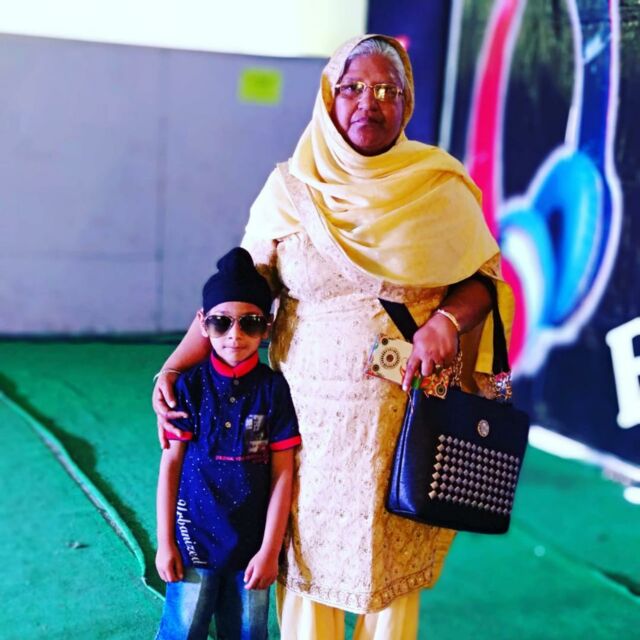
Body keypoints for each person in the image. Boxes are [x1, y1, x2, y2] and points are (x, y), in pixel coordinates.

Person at [153, 35, 514, 639]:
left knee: (389, 563)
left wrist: (447, 322)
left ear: (407, 104)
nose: (369, 102)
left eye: (387, 90)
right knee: (305, 559)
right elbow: (234, 296)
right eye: (353, 88)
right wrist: (171, 369)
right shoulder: (290, 188)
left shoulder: (438, 187)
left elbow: (482, 279)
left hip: (404, 416)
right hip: (303, 422)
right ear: (329, 96)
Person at [154, 247, 301, 640]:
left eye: (249, 323)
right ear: (203, 324)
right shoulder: (189, 387)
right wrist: (165, 542)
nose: (235, 335)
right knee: (184, 629)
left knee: (247, 632)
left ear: (267, 327)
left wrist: (269, 550)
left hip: (251, 546)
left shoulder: (274, 391)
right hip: (192, 539)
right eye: (221, 323)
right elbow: (170, 465)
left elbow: (283, 473)